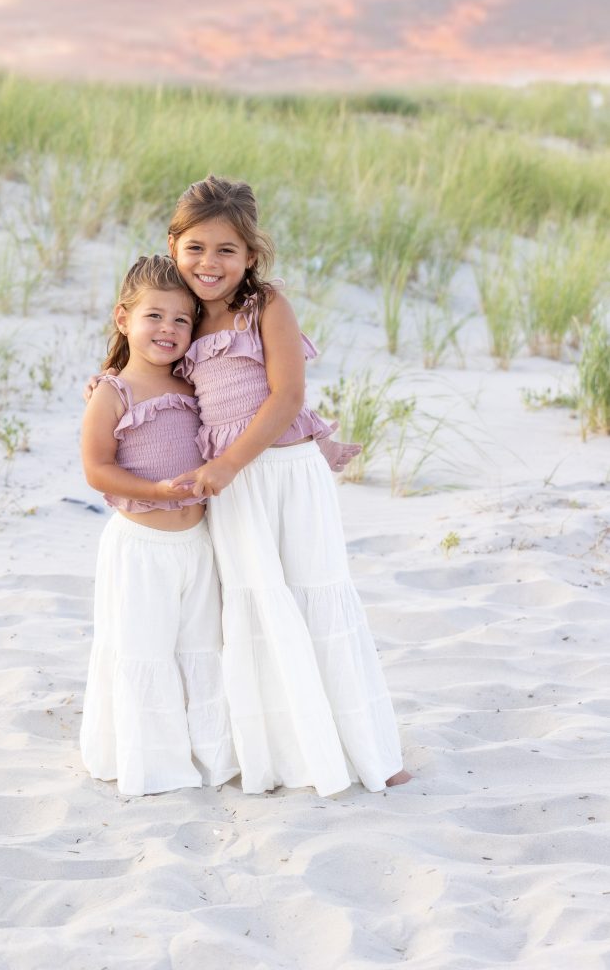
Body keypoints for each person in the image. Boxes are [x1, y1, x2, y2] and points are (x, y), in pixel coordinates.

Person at [165, 175, 411, 796]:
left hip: (281, 473)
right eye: (195, 247)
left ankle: (368, 751)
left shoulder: (264, 306)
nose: (209, 263)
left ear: (251, 256)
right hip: (232, 488)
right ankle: (285, 755)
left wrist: (229, 464)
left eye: (226, 250)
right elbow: (145, 367)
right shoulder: (182, 314)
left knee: (314, 594)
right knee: (256, 607)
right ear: (174, 246)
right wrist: (107, 386)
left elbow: (288, 396)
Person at [79, 253, 239, 796]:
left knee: (201, 651)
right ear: (124, 318)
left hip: (196, 546)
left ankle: (210, 758)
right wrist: (154, 492)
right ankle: (153, 766)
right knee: (143, 650)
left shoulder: (192, 386)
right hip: (141, 548)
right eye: (154, 317)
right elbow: (96, 467)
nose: (168, 329)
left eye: (181, 320)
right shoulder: (112, 391)